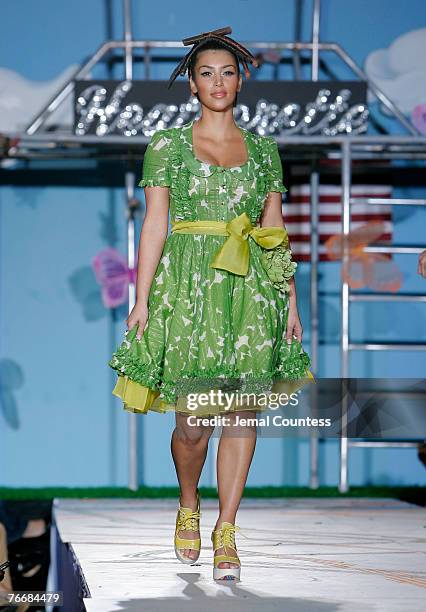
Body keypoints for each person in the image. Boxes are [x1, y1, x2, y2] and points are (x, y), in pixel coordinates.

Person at [108, 26, 313, 582]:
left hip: (251, 291)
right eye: (207, 73)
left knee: (242, 414)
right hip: (190, 289)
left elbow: (274, 229)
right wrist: (142, 299)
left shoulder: (264, 149)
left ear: (240, 79)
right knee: (194, 423)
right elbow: (154, 224)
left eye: (228, 72)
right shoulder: (167, 146)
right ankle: (188, 503)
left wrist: (289, 300)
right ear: (191, 83)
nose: (218, 82)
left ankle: (227, 531)